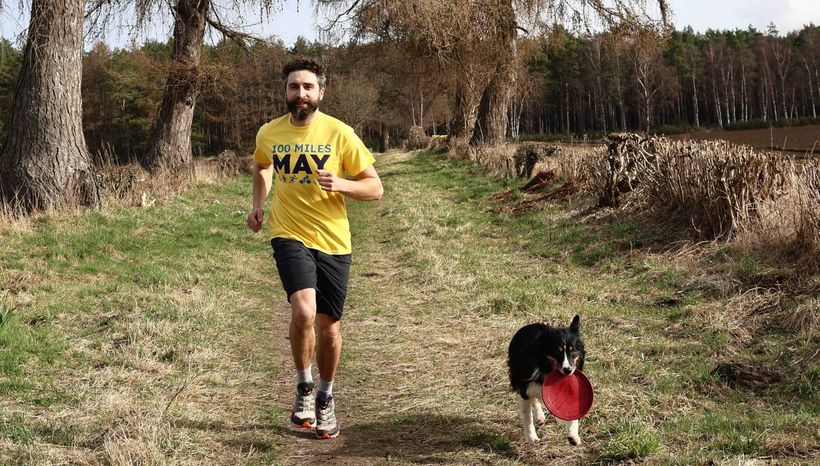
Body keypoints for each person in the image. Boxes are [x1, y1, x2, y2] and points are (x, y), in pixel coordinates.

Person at [246, 57, 383, 440]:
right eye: (294, 86)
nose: (301, 93)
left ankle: (326, 395)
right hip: (288, 232)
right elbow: (262, 165)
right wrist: (258, 204)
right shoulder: (269, 133)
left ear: (321, 92)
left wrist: (342, 184)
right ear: (285, 91)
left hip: (333, 240)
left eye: (308, 87)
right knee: (304, 311)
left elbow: (375, 187)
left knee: (329, 327)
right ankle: (304, 386)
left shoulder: (340, 133)